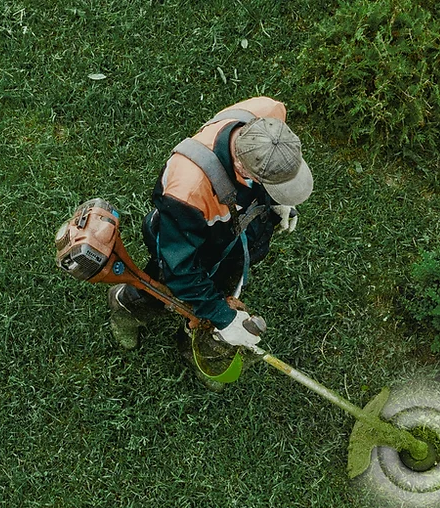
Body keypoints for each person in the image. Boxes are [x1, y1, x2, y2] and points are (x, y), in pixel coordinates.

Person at [108, 97, 314, 359]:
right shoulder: (188, 190)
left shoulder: (268, 113)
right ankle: (127, 307)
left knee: (218, 290)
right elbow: (180, 269)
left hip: (234, 234)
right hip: (188, 239)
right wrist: (224, 318)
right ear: (242, 166)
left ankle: (193, 337)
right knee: (164, 292)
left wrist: (277, 201)